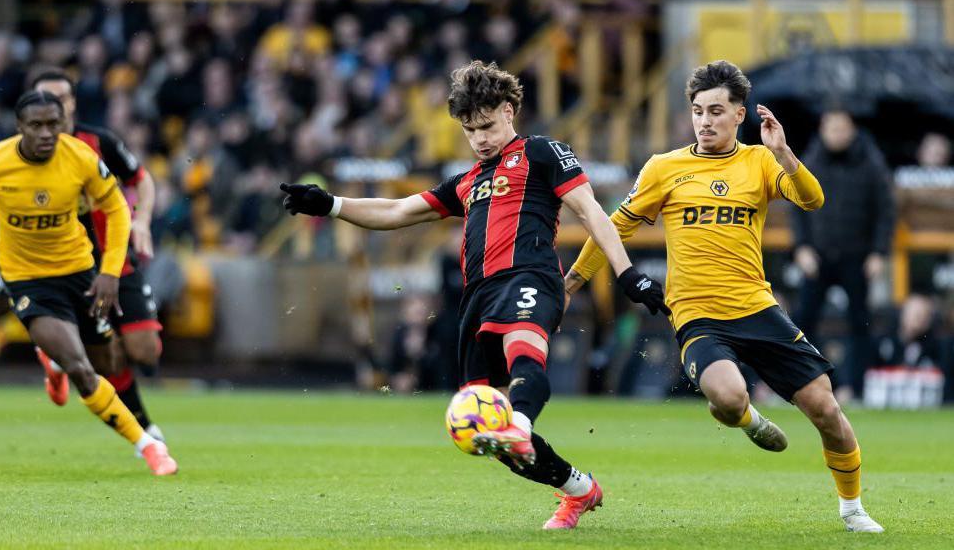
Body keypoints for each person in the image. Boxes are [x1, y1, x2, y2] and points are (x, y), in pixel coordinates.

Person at [279, 60, 667, 530]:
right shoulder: (466, 182)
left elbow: (590, 211)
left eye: (486, 125)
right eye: (469, 130)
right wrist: (332, 204)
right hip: (478, 299)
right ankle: (578, 489)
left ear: (509, 110)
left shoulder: (544, 152)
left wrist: (627, 275)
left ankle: (520, 426)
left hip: (531, 278)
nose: (480, 138)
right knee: (487, 432)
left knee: (525, 359)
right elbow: (399, 210)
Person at [565, 61, 883, 533]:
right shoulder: (664, 168)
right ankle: (748, 417)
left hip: (758, 308)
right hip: (697, 316)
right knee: (729, 397)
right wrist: (571, 282)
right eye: (698, 111)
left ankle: (853, 510)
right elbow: (612, 228)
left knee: (825, 408)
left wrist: (785, 154)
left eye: (716, 110)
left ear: (740, 115)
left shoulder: (758, 160)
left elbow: (812, 199)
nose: (705, 120)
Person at [0, 90, 177, 475]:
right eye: (36, 126)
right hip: (27, 280)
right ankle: (148, 445)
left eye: (53, 125)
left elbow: (116, 207)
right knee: (81, 367)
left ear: (64, 124)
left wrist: (109, 272)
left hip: (80, 272)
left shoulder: (81, 158)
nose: (46, 133)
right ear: (19, 127)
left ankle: (53, 362)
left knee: (107, 360)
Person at [30, 69, 166, 449]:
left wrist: (141, 219)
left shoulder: (98, 141)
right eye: (44, 98)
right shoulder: (25, 153)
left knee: (145, 351)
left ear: (73, 103)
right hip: (72, 267)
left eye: (60, 98)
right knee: (105, 357)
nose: (53, 106)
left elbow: (141, 178)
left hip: (117, 258)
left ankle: (57, 357)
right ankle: (143, 427)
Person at [791, 108, 895, 400]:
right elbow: (796, 208)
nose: (836, 134)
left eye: (841, 128)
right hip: (818, 255)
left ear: (852, 130)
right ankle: (804, 384)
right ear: (822, 130)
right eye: (831, 128)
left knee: (859, 323)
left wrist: (878, 252)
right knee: (803, 321)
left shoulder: (872, 165)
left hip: (857, 257)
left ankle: (853, 387)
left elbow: (885, 212)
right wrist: (801, 247)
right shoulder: (809, 161)